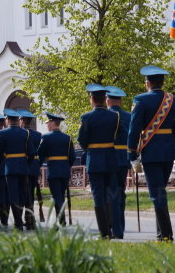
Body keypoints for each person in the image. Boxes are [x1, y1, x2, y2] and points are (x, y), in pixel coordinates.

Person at [127, 66, 175, 242]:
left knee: (157, 193)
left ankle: (166, 235)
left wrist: (131, 154)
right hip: (168, 151)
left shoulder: (140, 100)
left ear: (147, 83)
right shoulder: (174, 100)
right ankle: (161, 234)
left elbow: (134, 129)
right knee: (161, 191)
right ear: (162, 82)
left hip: (151, 152)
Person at [78, 84, 121, 239]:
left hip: (94, 159)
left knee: (97, 195)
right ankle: (111, 226)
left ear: (92, 99)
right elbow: (114, 135)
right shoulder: (114, 116)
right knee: (110, 194)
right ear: (104, 99)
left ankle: (104, 232)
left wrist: (90, 149)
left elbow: (81, 139)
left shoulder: (87, 117)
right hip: (110, 157)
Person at [0, 108, 35, 231]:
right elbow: (32, 153)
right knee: (22, 194)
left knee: (13, 195)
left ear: (7, 119)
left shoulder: (3, 133)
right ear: (18, 120)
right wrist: (26, 163)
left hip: (10, 166)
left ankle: (18, 224)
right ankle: (19, 220)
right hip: (23, 166)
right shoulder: (26, 133)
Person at [36, 112, 76, 225]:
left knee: (57, 196)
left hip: (53, 170)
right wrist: (67, 166)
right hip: (64, 171)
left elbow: (41, 154)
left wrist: (37, 167)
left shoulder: (46, 137)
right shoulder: (67, 138)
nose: (47, 125)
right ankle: (61, 219)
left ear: (53, 123)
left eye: (48, 123)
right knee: (61, 195)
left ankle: (61, 220)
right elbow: (72, 156)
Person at [105, 86, 131, 239]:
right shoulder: (128, 116)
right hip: (124, 158)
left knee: (111, 193)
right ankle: (120, 225)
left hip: (110, 157)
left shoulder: (106, 115)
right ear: (120, 101)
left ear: (107, 101)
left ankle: (115, 228)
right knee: (120, 192)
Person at [18, 109, 42, 230]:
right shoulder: (38, 135)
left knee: (23, 194)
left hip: (24, 166)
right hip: (34, 166)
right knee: (30, 194)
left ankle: (27, 219)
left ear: (22, 121)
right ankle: (30, 219)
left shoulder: (21, 134)